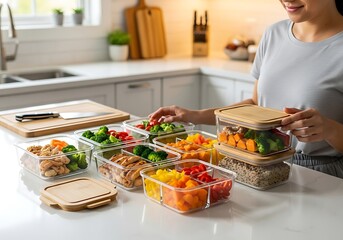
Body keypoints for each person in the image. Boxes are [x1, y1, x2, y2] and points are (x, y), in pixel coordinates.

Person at [149, 0, 343, 178]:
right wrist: (195, 116)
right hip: (260, 165)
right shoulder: (273, 34)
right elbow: (255, 105)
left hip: (320, 174)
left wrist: (330, 130)